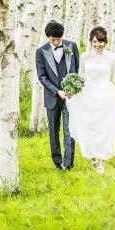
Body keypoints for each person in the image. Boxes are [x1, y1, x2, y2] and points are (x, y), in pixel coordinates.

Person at [66, 25, 115, 174]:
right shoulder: (85, 56)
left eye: (101, 42)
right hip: (88, 93)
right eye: (95, 42)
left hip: (106, 95)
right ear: (91, 42)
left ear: (105, 42)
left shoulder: (112, 57)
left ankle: (102, 161)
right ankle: (92, 155)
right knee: (88, 125)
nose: (98, 45)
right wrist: (72, 88)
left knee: (105, 127)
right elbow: (81, 76)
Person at [35, 20, 80, 171]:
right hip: (52, 97)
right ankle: (57, 163)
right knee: (53, 131)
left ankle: (68, 163)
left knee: (69, 129)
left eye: (58, 39)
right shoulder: (41, 52)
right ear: (47, 37)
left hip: (70, 96)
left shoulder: (72, 46)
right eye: (53, 40)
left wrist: (73, 89)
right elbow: (42, 77)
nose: (56, 42)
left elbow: (77, 69)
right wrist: (57, 91)